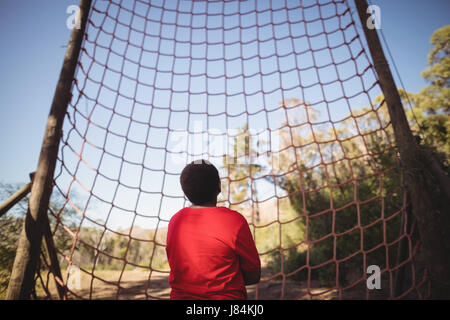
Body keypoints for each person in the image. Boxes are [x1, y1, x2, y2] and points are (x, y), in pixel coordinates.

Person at [166, 159, 261, 300]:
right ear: (218, 187)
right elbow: (253, 275)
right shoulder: (234, 221)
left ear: (185, 192)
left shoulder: (175, 221)